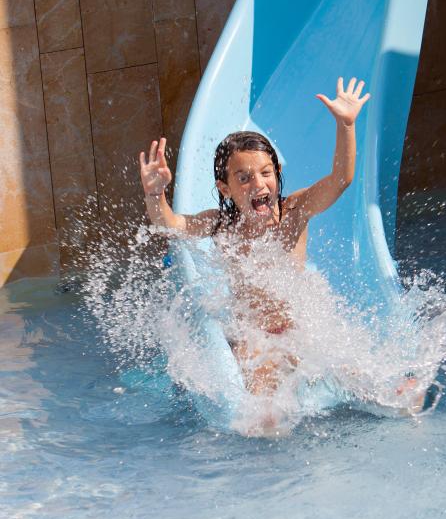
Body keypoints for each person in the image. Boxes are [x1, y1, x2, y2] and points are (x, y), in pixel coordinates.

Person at [139, 77, 371, 401]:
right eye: (244, 178)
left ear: (276, 173)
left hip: (298, 326)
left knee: (349, 366)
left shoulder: (295, 211)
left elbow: (341, 180)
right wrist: (155, 193)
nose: (259, 185)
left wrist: (346, 124)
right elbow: (171, 223)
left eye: (266, 173)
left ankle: (388, 395)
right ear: (225, 189)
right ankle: (265, 423)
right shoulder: (221, 225)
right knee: (257, 370)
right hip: (252, 332)